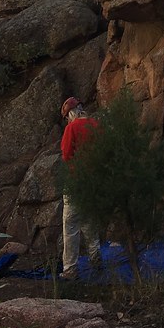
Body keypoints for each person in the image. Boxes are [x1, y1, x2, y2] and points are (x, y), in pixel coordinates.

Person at [60, 96, 102, 279]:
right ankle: (96, 258)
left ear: (70, 113)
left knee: (71, 224)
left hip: (76, 181)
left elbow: (66, 154)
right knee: (90, 220)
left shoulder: (72, 128)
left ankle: (70, 268)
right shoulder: (96, 125)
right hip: (93, 180)